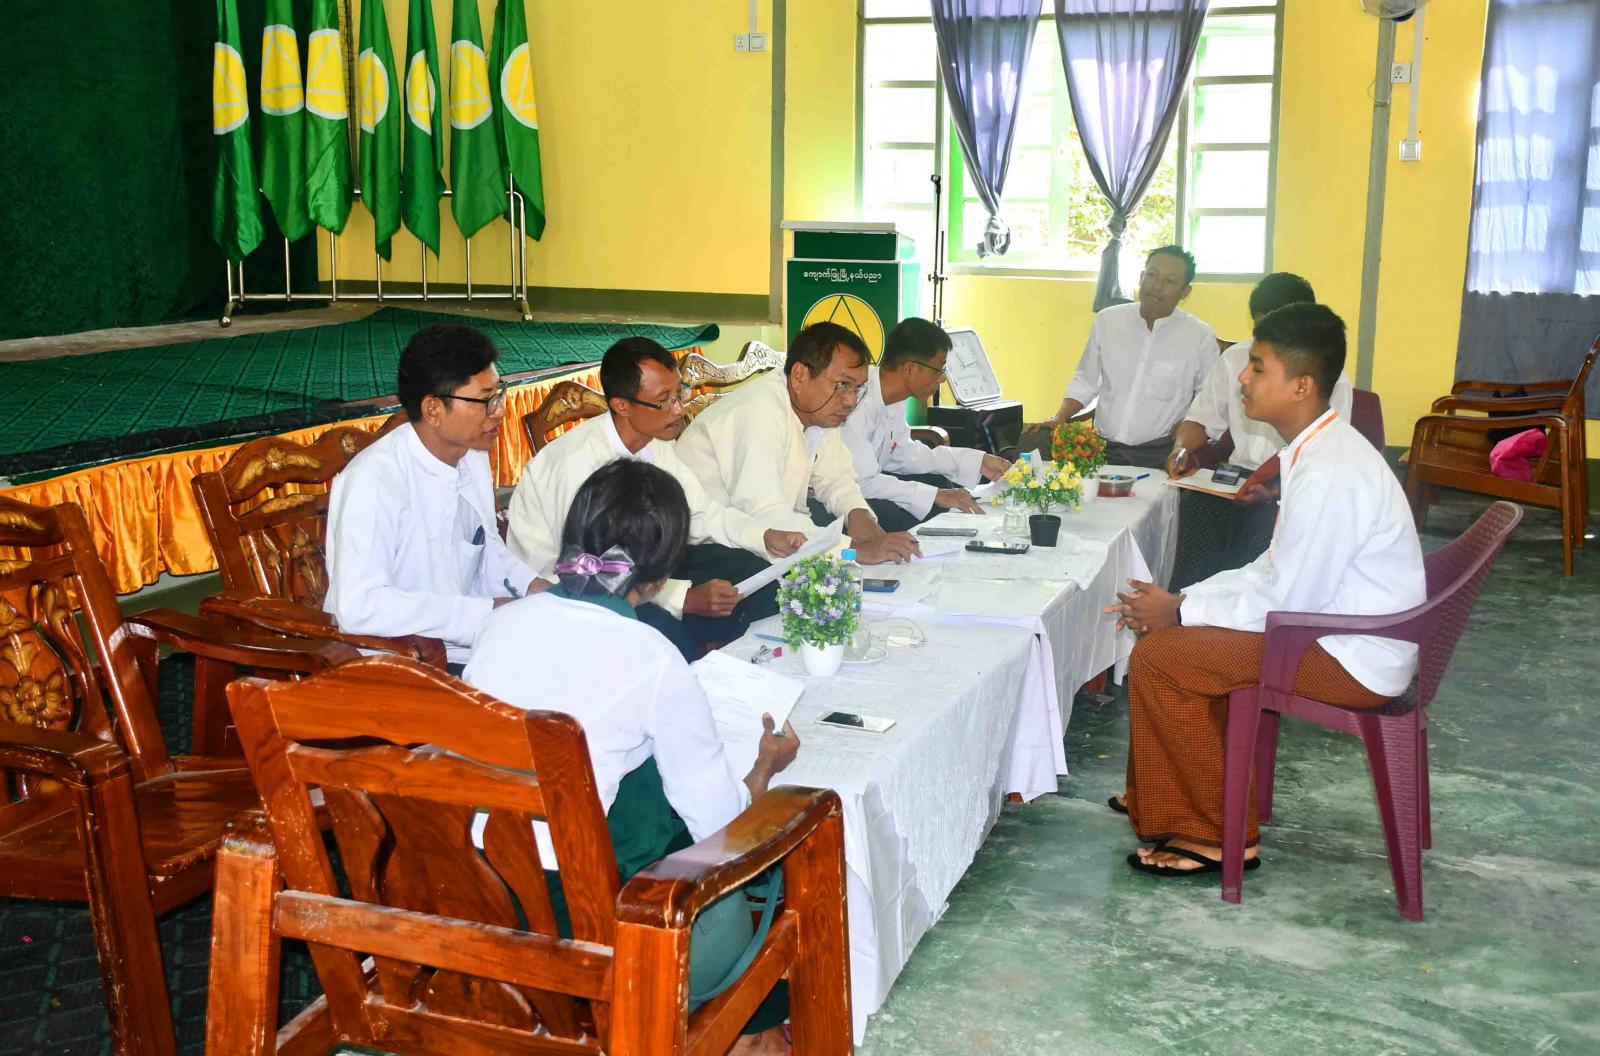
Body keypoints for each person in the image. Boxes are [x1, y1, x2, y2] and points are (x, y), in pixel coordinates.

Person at [465, 460, 799, 1055]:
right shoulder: (651, 654)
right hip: (579, 926)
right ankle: (754, 1038)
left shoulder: (499, 626)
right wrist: (762, 771)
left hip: (475, 895)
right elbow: (720, 828)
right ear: (664, 570)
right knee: (767, 869)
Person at [1103, 303, 1425, 878]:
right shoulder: (1316, 450)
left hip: (1349, 656)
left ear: (1302, 385)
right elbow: (1271, 567)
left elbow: (1289, 603)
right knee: (1180, 641)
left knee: (1163, 658)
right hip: (1332, 632)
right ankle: (1166, 790)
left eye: (1257, 367)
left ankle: (1215, 835)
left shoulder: (1330, 470)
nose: (1243, 379)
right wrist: (1182, 602)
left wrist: (1181, 613)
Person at [505, 337, 808, 658]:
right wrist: (684, 598)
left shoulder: (655, 445)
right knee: (668, 635)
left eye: (679, 394)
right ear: (622, 405)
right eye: (664, 401)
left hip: (640, 568)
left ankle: (757, 664)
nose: (679, 410)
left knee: (755, 571)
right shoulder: (575, 465)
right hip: (570, 589)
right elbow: (586, 569)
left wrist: (764, 536)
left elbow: (702, 513)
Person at [324, 323, 539, 673]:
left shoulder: (471, 456)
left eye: (499, 394)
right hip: (398, 663)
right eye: (486, 400)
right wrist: (486, 612)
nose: (499, 411)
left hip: (469, 646)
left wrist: (536, 587)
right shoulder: (375, 481)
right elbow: (360, 606)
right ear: (433, 409)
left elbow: (487, 549)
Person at [1165, 273, 1355, 590]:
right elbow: (1199, 419)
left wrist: (1273, 489)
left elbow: (1321, 457)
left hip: (1282, 486)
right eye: (1260, 329)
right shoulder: (1235, 359)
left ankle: (1229, 611)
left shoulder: (1329, 380)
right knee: (1195, 511)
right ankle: (1184, 607)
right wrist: (1181, 450)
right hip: (1229, 480)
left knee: (1253, 554)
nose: (1246, 377)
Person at [676, 321, 922, 565]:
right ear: (799, 376)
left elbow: (836, 477)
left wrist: (860, 516)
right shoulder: (760, 409)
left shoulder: (819, 411)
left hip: (767, 529)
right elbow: (765, 516)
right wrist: (853, 550)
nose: (850, 400)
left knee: (879, 518)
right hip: (707, 548)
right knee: (817, 568)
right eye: (842, 385)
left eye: (857, 389)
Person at [1038, 245, 1217, 468]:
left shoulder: (1199, 336)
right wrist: (1059, 417)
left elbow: (1209, 397)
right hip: (1101, 449)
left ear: (1185, 292)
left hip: (1160, 454)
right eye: (1152, 275)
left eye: (1170, 281)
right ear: (1141, 277)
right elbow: (1085, 380)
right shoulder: (1108, 321)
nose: (1157, 286)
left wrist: (1189, 425)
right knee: (1033, 446)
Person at [841, 317, 1013, 532]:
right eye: (939, 369)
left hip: (867, 484)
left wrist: (977, 461)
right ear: (909, 369)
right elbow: (863, 482)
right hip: (839, 498)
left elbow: (903, 454)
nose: (941, 379)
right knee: (896, 512)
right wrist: (934, 495)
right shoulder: (855, 403)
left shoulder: (893, 398)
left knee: (936, 481)